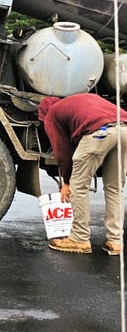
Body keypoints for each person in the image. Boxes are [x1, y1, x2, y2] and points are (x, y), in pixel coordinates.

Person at [39, 93, 127, 255]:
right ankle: (115, 241)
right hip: (124, 129)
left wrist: (66, 182)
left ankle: (79, 238)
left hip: (99, 133)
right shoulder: (80, 100)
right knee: (115, 188)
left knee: (78, 187)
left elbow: (63, 153)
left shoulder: (51, 114)